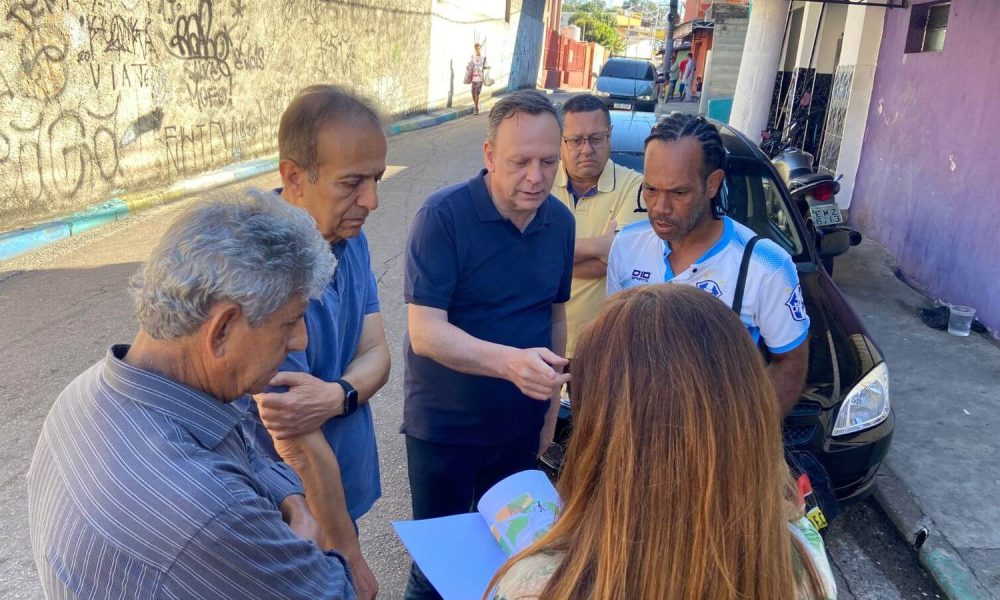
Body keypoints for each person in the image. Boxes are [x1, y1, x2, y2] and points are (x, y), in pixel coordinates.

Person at [28, 191, 360, 599]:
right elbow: (338, 591)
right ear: (221, 330)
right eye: (289, 322)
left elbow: (245, 454)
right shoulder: (209, 511)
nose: (300, 340)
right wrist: (323, 546)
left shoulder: (89, 392)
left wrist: (293, 501)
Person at [488, 284, 837, 600]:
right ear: (747, 413)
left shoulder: (535, 585)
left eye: (576, 385)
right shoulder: (803, 554)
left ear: (605, 427)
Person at [402, 89, 575, 599]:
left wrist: (548, 408)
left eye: (548, 161)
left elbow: (554, 314)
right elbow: (425, 331)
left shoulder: (560, 221)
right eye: (520, 161)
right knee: (439, 571)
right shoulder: (442, 218)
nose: (536, 176)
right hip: (445, 434)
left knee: (514, 559)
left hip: (519, 429)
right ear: (489, 155)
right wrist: (510, 365)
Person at [241, 84, 390, 600]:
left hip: (340, 488)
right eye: (352, 182)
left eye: (376, 178)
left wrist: (337, 395)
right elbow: (295, 438)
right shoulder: (262, 258)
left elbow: (378, 353)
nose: (371, 200)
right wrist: (348, 553)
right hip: (288, 511)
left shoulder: (350, 235)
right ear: (293, 177)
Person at [607, 114, 810, 416]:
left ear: (712, 183)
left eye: (678, 193)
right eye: (650, 190)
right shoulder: (626, 246)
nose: (660, 208)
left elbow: (791, 362)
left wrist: (744, 435)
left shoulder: (765, 265)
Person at [549, 93, 644, 358]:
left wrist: (544, 258)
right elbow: (519, 254)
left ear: (609, 136)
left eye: (596, 138)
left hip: (600, 350)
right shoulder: (540, 181)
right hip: (537, 342)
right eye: (576, 140)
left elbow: (615, 261)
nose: (587, 149)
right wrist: (599, 245)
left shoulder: (635, 187)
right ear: (560, 141)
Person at [469, 43, 487, 115]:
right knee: (473, 93)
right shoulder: (473, 57)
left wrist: (484, 67)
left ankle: (475, 109)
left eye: (478, 48)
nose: (477, 50)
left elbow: (487, 66)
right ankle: (476, 107)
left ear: (480, 49)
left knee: (477, 93)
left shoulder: (483, 58)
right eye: (476, 48)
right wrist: (468, 67)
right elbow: (470, 65)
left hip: (480, 78)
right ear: (475, 49)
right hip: (473, 78)